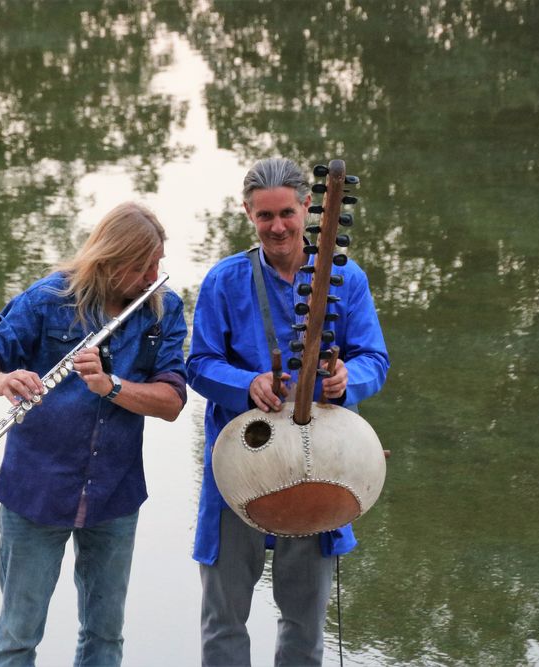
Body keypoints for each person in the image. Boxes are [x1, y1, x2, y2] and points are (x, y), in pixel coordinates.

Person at [0, 202, 188, 667]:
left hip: (114, 495)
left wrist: (111, 386)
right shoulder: (48, 300)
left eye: (156, 263)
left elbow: (172, 403)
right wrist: (1, 381)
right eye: (142, 266)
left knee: (104, 637)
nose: (152, 276)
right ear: (109, 261)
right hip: (36, 490)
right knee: (18, 636)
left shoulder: (163, 311)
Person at [186, 157, 390, 666]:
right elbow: (199, 364)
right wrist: (247, 382)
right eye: (264, 216)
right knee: (223, 620)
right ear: (248, 215)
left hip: (321, 466)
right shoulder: (224, 280)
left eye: (286, 213)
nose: (277, 226)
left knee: (303, 623)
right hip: (241, 465)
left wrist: (348, 380)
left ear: (307, 207)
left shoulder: (347, 278)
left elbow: (374, 359)